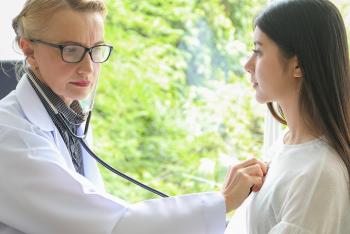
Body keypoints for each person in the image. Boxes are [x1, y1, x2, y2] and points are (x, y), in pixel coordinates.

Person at [0, 0, 268, 233]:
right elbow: (111, 226)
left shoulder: (65, 117)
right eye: (71, 50)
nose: (88, 68)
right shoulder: (10, 138)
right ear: (29, 50)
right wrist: (222, 201)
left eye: (96, 50)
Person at [225, 0, 350, 233]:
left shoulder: (317, 175)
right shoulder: (286, 144)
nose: (247, 65)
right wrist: (223, 201)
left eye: (258, 52)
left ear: (298, 65)